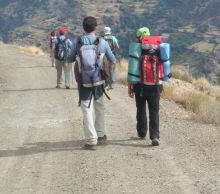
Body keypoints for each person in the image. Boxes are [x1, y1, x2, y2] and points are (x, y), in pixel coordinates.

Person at [67, 17, 116, 149]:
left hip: (83, 81)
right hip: (99, 80)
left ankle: (90, 139)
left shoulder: (77, 42)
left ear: (84, 28)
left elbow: (69, 59)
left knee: (86, 109)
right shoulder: (102, 42)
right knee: (99, 106)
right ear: (95, 28)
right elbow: (113, 59)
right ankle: (100, 134)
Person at [128, 27, 162, 146]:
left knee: (141, 109)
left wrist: (130, 87)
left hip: (139, 86)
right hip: (155, 85)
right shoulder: (158, 48)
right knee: (154, 110)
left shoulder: (136, 49)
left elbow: (132, 69)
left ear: (138, 37)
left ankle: (142, 133)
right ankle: (155, 136)